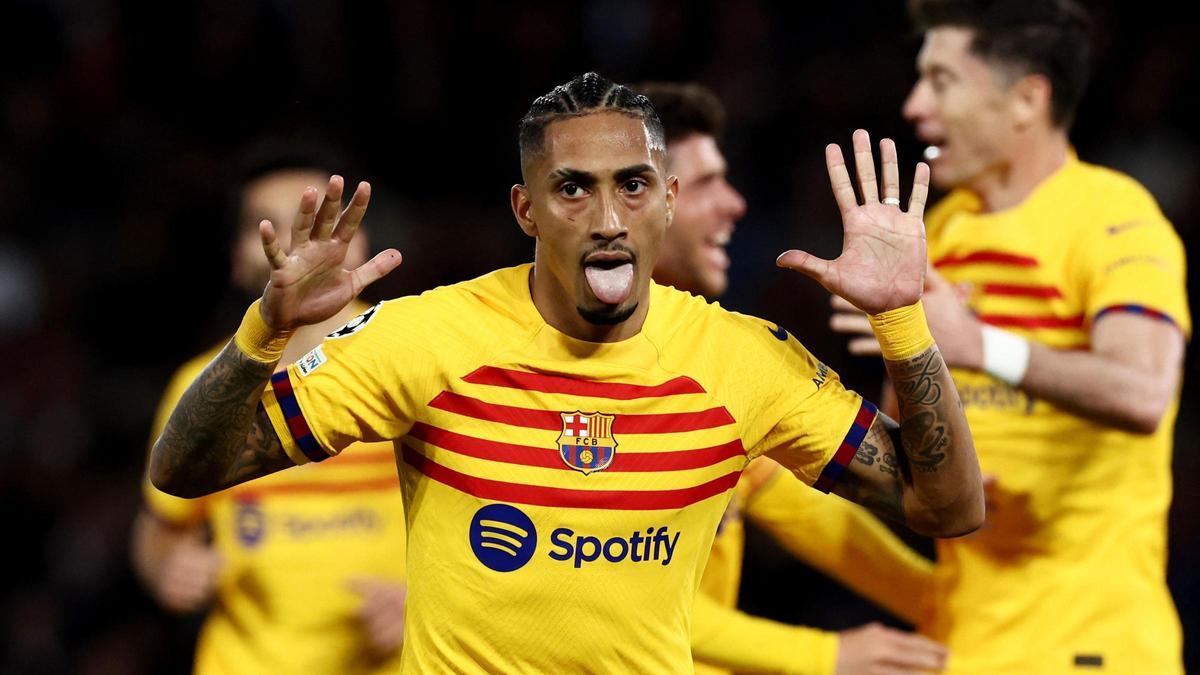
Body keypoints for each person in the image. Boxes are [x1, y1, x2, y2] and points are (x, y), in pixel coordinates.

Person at [148, 72, 984, 673]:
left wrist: (902, 322)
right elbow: (187, 470)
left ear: (666, 199)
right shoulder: (426, 337)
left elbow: (947, 506)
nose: (608, 218)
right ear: (526, 209)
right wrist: (267, 327)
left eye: (633, 186)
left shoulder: (741, 360)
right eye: (573, 189)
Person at [831, 2, 1189, 672]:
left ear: (1026, 99)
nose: (913, 105)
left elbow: (1144, 392)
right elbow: (913, 435)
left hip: (1091, 645)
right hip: (963, 641)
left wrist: (977, 345)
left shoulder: (1114, 216)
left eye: (941, 81)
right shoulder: (941, 230)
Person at [637, 81, 946, 675]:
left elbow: (817, 521)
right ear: (643, 200)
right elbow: (617, 595)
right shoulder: (588, 377)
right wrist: (824, 655)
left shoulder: (718, 361)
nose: (735, 203)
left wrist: (966, 606)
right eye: (705, 184)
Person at [132, 146, 408, 674]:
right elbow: (160, 528)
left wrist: (428, 599)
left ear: (359, 243)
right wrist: (168, 566)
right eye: (269, 226)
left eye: (317, 221)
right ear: (238, 257)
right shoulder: (199, 387)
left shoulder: (414, 360)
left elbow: (493, 521)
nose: (295, 244)